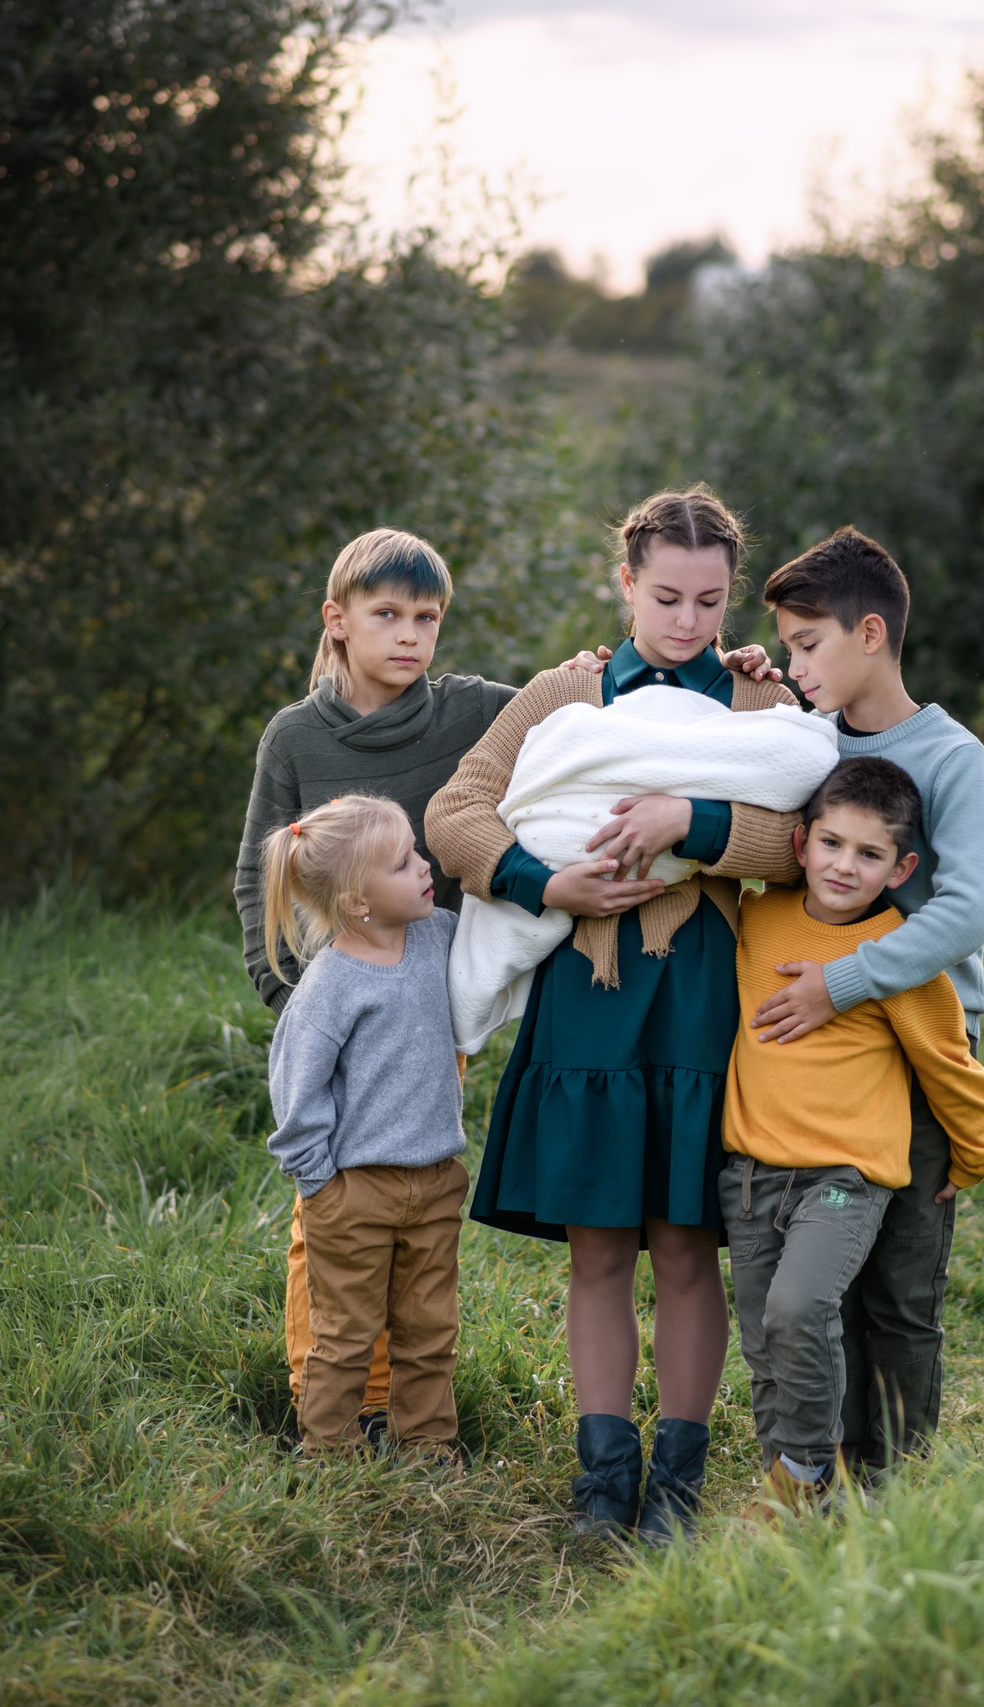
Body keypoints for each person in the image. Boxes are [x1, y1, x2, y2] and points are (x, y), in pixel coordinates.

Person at [232, 527, 778, 1445]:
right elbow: (319, 853)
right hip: (439, 999)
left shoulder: (476, 708)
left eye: (711, 601)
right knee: (341, 1213)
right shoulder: (311, 733)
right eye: (388, 616)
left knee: (446, 1196)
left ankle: (451, 1415)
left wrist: (685, 799)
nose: (410, 636)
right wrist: (292, 997)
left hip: (562, 995)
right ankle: (340, 1405)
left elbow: (794, 818)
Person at [426, 486, 805, 1544]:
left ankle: (676, 1486)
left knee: (684, 1244)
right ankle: (602, 1480)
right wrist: (548, 885)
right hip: (585, 999)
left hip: (697, 1000)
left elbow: (808, 835)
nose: (689, 623)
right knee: (597, 1246)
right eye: (668, 597)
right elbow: (455, 811)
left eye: (711, 601)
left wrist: (694, 818)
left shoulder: (756, 706)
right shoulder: (564, 692)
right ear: (625, 582)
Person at [752, 527, 984, 1477]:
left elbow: (968, 909)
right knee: (823, 1287)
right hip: (812, 1062)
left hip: (919, 1050)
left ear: (869, 634)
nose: (793, 663)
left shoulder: (951, 756)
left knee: (898, 1286)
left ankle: (892, 1483)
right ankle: (819, 1463)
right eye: (784, 646)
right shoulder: (800, 742)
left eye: (805, 645)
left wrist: (842, 982)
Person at [722, 757, 984, 1510]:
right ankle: (795, 1487)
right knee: (764, 1341)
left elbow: (951, 1066)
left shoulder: (897, 959)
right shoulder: (754, 919)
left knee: (799, 1308)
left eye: (870, 853)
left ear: (901, 866)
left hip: (846, 1180)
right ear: (800, 844)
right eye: (832, 843)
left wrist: (977, 1152)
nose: (845, 865)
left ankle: (808, 1471)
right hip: (750, 1174)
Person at [258, 794, 469, 1457]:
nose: (425, 864)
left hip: (435, 1182)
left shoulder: (440, 933)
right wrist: (320, 1185)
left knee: (430, 1328)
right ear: (357, 902)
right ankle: (329, 1451)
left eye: (417, 849)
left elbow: (503, 950)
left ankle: (430, 1447)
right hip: (354, 1194)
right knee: (347, 1334)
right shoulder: (330, 986)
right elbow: (296, 1093)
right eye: (404, 861)